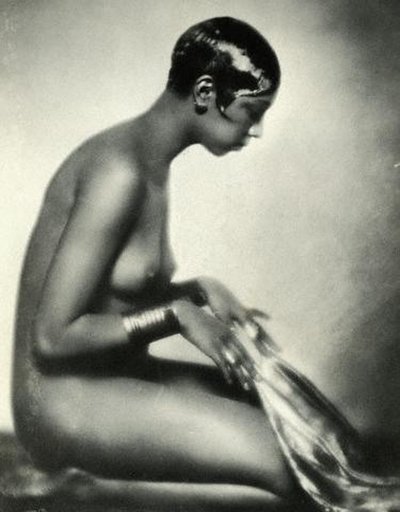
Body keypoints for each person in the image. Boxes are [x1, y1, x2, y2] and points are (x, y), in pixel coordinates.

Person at [12, 17, 303, 510]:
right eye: (252, 112)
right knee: (290, 464)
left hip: (112, 380)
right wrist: (176, 315)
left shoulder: (149, 162)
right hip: (61, 405)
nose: (256, 131)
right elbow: (52, 339)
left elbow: (115, 296)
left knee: (294, 419)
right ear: (206, 92)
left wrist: (199, 291)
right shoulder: (119, 174)